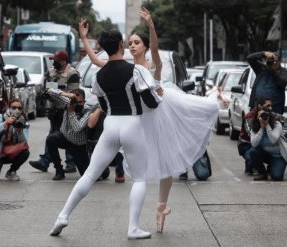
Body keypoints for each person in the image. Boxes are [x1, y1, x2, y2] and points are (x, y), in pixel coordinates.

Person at [79, 8, 218, 233]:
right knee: (145, 167)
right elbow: (96, 60)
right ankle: (149, 213)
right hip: (137, 119)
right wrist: (84, 37)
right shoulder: (125, 67)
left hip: (159, 113)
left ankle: (161, 206)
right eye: (130, 42)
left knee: (166, 162)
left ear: (143, 46)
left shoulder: (151, 65)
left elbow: (154, 47)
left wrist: (151, 26)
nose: (133, 45)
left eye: (136, 42)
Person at [50, 28, 161, 239]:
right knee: (139, 179)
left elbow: (102, 104)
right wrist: (159, 95)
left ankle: (62, 216)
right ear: (121, 44)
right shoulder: (136, 71)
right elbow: (151, 103)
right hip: (132, 124)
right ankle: (133, 228)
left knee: (90, 174)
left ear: (102, 46)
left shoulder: (98, 76)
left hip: (110, 125)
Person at [29, 51, 79, 174]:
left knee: (68, 136)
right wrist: (47, 94)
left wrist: (56, 93)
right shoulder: (51, 72)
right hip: (54, 110)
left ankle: (70, 163)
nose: (53, 63)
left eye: (56, 60)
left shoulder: (72, 74)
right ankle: (45, 161)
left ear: (63, 62)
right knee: (52, 136)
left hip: (66, 110)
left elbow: (73, 95)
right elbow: (46, 88)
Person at [44, 88, 91, 181]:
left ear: (84, 101)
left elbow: (77, 128)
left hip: (78, 145)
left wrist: (71, 111)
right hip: (64, 137)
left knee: (87, 175)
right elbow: (49, 91)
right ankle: (59, 171)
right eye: (75, 101)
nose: (77, 104)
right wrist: (66, 95)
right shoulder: (69, 101)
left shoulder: (87, 111)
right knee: (50, 139)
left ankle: (104, 171)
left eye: (80, 102)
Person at [0, 98, 30, 182]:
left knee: (25, 152)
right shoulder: (0, 117)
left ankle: (12, 171)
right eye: (14, 107)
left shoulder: (23, 121)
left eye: (19, 108)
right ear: (8, 107)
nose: (16, 110)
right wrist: (5, 123)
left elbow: (24, 143)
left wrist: (19, 131)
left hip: (10, 152)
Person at [249, 96, 287, 181]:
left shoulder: (276, 123)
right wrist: (261, 127)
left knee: (277, 177)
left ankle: (272, 166)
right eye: (268, 106)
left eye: (271, 105)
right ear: (260, 106)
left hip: (279, 155)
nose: (270, 108)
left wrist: (267, 125)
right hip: (267, 154)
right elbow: (253, 143)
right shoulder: (254, 124)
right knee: (252, 151)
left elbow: (273, 140)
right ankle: (263, 173)